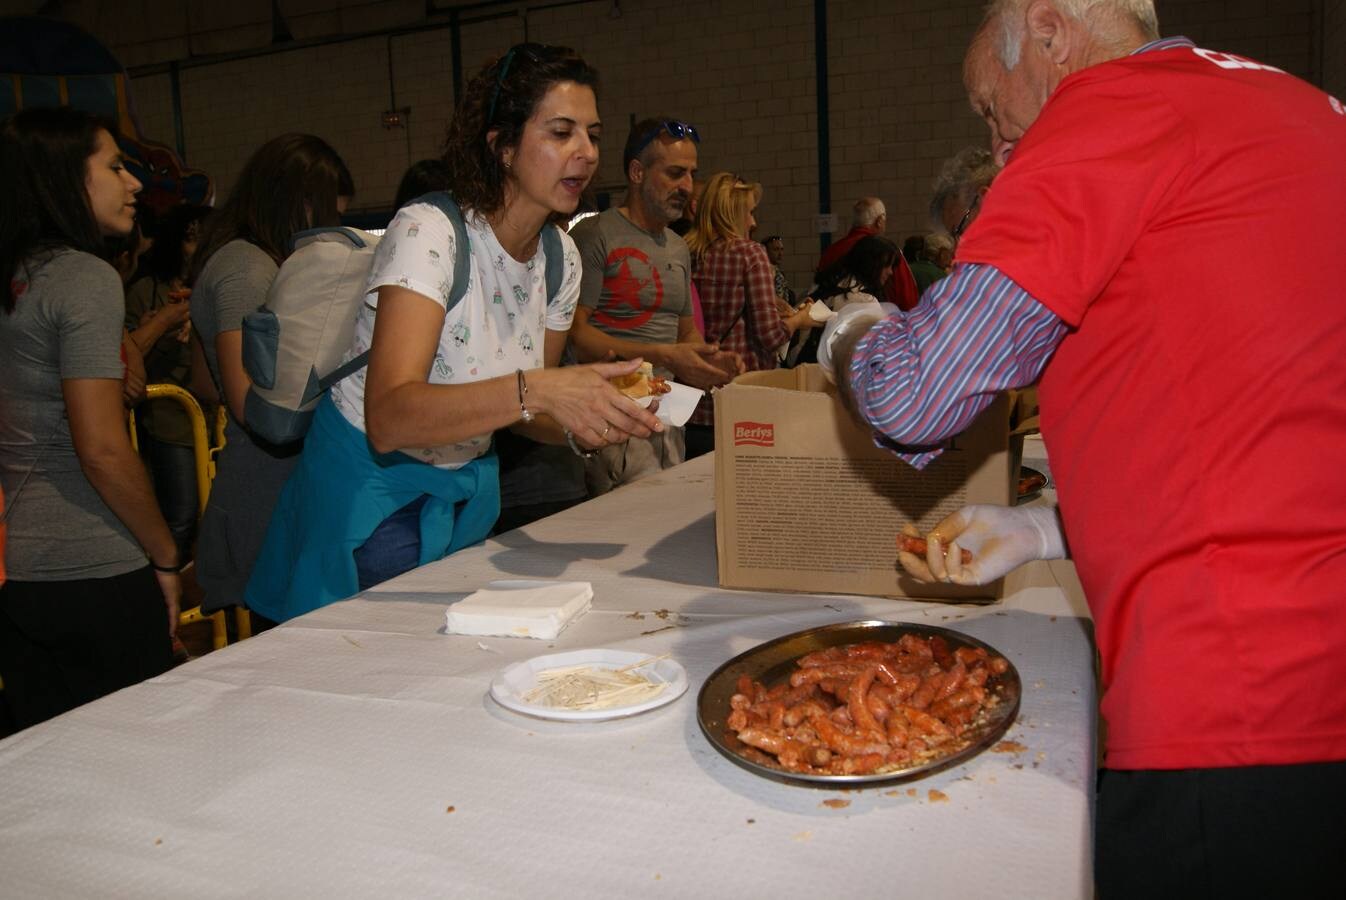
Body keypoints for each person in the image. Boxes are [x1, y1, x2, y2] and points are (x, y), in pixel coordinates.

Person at [820, 1, 1346, 894]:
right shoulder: (1303, 109)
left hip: (1239, 697)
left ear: (1053, 32)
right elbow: (1265, 404)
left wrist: (848, 333)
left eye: (992, 111)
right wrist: (1053, 529)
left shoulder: (1107, 111)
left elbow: (916, 396)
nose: (995, 148)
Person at [243, 43, 661, 622]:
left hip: (466, 496)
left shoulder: (561, 258)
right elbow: (389, 417)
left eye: (593, 134)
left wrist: (583, 422)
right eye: (561, 132)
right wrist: (543, 390)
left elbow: (525, 411)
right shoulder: (430, 232)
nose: (586, 153)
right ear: (503, 147)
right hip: (373, 503)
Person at [0, 108, 178, 729]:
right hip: (90, 565)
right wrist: (165, 554)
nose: (133, 182)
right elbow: (101, 449)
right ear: (66, 180)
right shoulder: (82, 277)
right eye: (114, 166)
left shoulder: (16, 278)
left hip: (16, 572)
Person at [188, 133, 354, 620]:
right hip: (268, 488)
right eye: (328, 216)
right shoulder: (249, 268)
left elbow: (204, 382)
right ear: (299, 204)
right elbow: (249, 402)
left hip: (266, 480)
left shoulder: (240, 260)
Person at [568, 117, 737, 494]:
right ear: (637, 172)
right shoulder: (595, 235)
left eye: (692, 174)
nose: (688, 187)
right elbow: (576, 337)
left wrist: (709, 361)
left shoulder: (678, 247)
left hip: (668, 422)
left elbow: (684, 332)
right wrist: (665, 354)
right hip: (614, 420)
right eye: (675, 173)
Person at [684, 172, 813, 457]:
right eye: (750, 213)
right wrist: (800, 320)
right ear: (733, 214)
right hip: (741, 400)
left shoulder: (686, 251)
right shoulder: (750, 254)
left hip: (694, 405)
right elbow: (771, 336)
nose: (754, 223)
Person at [125, 203, 211, 563]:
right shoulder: (146, 290)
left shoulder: (217, 286)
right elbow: (123, 360)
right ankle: (170, 587)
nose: (197, 248)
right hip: (168, 421)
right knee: (181, 514)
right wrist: (158, 326)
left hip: (216, 419)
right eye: (190, 239)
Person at [815, 196, 918, 311]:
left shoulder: (830, 251)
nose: (890, 272)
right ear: (879, 221)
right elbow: (907, 297)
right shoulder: (887, 252)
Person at [760, 235, 797, 306]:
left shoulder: (779, 274)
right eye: (776, 249)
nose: (780, 254)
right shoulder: (762, 273)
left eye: (782, 249)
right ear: (765, 251)